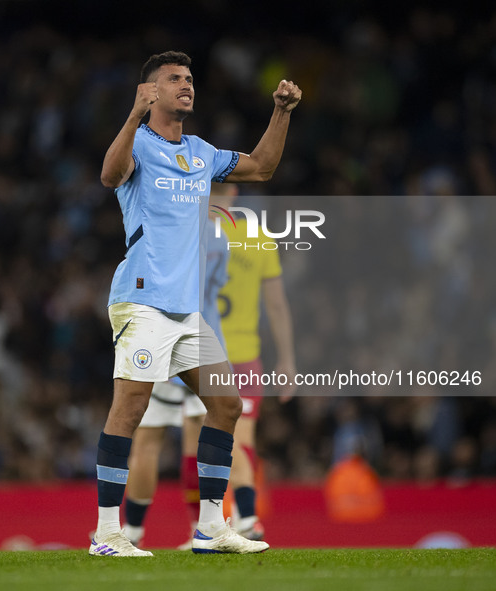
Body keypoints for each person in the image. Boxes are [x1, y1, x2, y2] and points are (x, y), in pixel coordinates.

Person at [90, 50, 301, 557]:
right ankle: (107, 533)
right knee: (131, 407)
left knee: (226, 404)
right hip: (142, 301)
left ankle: (211, 527)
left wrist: (282, 112)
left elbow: (263, 167)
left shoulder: (202, 153)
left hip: (187, 310)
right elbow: (109, 175)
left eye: (189, 79)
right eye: (174, 80)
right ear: (151, 91)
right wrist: (134, 115)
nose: (186, 85)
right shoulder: (137, 143)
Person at [122, 200, 229, 549]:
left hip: (166, 342)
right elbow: (217, 286)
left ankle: (133, 531)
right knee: (198, 441)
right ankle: (202, 528)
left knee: (146, 443)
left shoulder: (165, 234)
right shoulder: (218, 236)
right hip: (205, 344)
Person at [214, 184, 297, 540]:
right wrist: (287, 360)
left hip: (203, 355)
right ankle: (247, 518)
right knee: (239, 439)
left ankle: (220, 519)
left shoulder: (190, 233)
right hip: (246, 357)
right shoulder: (260, 237)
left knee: (210, 439)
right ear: (233, 191)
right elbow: (276, 305)